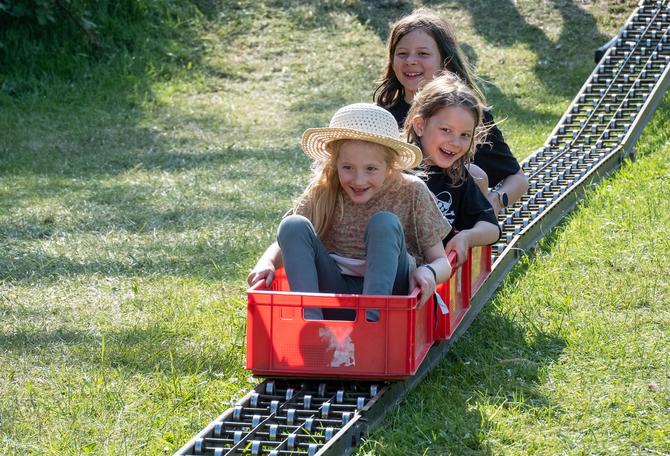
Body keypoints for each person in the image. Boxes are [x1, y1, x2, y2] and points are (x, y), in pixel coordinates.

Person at [247, 103, 452, 320]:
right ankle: (310, 322)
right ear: (335, 163)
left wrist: (428, 271)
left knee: (384, 223)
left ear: (390, 164)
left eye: (371, 169)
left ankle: (372, 325)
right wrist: (267, 261)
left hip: (392, 296)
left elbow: (442, 263)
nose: (359, 180)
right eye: (347, 168)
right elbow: (287, 240)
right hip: (335, 293)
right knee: (292, 225)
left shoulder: (411, 191)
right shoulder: (324, 190)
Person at [374, 7, 529, 214]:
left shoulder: (467, 115)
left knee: (476, 175)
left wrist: (495, 201)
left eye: (423, 53)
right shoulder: (380, 117)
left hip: (453, 224)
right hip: (398, 220)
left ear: (445, 61)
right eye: (402, 54)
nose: (410, 60)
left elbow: (517, 178)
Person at [405, 72, 501, 267]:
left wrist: (467, 236)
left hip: (436, 275)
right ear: (420, 125)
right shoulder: (398, 170)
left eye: (465, 135)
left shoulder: (458, 179)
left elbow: (491, 227)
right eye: (446, 130)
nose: (455, 143)